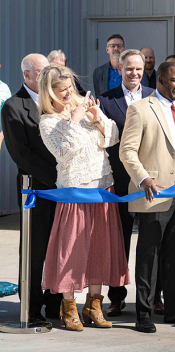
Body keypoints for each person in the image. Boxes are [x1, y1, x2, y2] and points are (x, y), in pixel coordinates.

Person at [37, 64, 131, 331]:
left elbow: (113, 137)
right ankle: (69, 309)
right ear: (49, 93)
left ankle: (94, 306)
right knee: (72, 252)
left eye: (70, 88)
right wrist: (75, 121)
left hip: (102, 188)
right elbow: (64, 153)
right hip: (75, 193)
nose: (68, 94)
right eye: (61, 90)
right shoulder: (48, 121)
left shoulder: (85, 105)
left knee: (100, 249)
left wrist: (97, 118)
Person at [120, 61, 175, 333]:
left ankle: (174, 310)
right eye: (174, 80)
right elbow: (127, 151)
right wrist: (143, 178)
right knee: (149, 256)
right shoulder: (140, 108)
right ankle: (143, 313)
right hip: (153, 193)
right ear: (160, 81)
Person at [1, 53, 62, 324]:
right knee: (35, 250)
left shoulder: (57, 102)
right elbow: (21, 154)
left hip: (63, 190)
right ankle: (31, 308)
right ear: (27, 75)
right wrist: (56, 177)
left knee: (59, 248)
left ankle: (55, 305)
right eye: (41, 73)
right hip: (36, 189)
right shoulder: (14, 106)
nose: (48, 77)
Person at [98, 49, 155, 317]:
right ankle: (116, 298)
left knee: (151, 243)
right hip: (120, 184)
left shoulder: (155, 97)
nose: (134, 73)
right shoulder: (106, 101)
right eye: (129, 68)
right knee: (118, 243)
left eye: (138, 69)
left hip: (150, 185)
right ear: (119, 69)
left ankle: (153, 298)